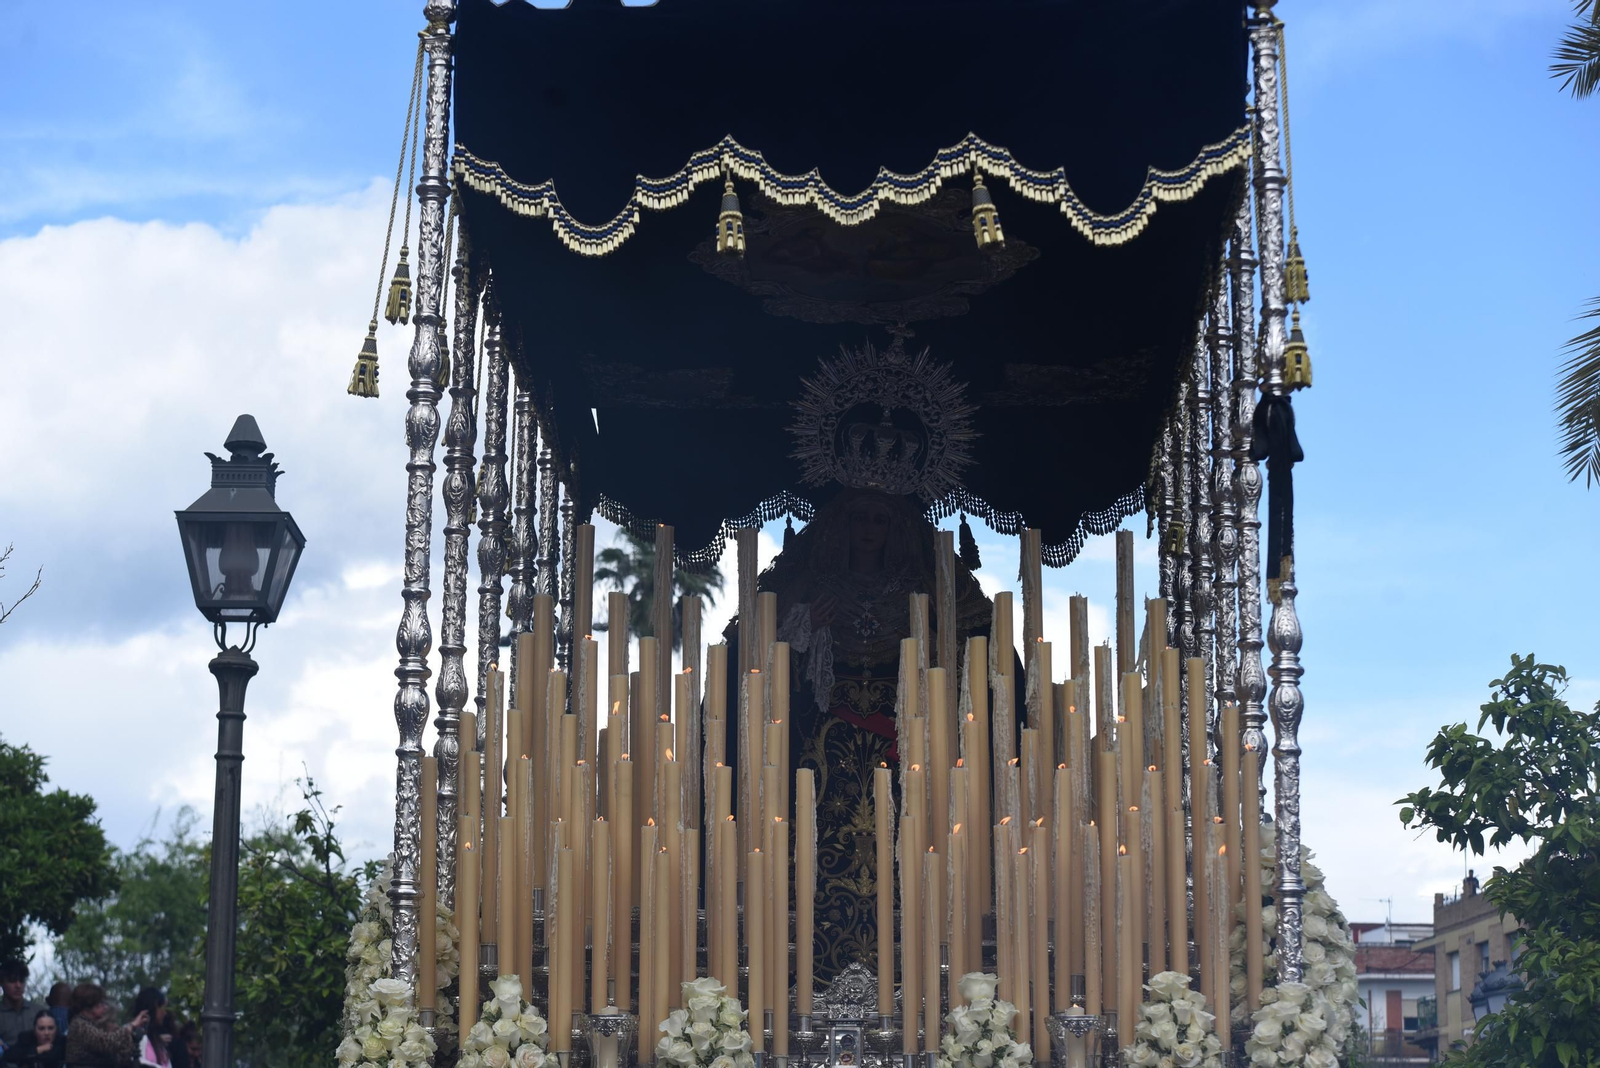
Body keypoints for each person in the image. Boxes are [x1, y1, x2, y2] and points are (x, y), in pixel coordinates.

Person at [727, 487, 996, 979]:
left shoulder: (921, 586)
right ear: (841, 526)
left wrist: (932, 634)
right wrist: (805, 621)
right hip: (826, 755)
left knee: (910, 850)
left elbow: (973, 652)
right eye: (860, 519)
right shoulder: (813, 584)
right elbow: (759, 656)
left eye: (880, 520)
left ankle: (914, 974)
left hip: (905, 744)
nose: (870, 530)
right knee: (812, 854)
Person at [63, 985, 145, 1068]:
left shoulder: (89, 1024)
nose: (105, 1007)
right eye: (101, 1003)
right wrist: (131, 1026)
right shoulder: (79, 1025)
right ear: (89, 1005)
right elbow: (106, 1043)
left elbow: (116, 1057)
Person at [0, 962, 42, 1050]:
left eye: (22, 981)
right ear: (2, 983)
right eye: (12, 981)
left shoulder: (39, 1011)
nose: (18, 985)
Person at [127, 991, 171, 1068]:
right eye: (163, 1008)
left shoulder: (156, 1041)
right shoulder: (134, 1035)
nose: (165, 1013)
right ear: (155, 1007)